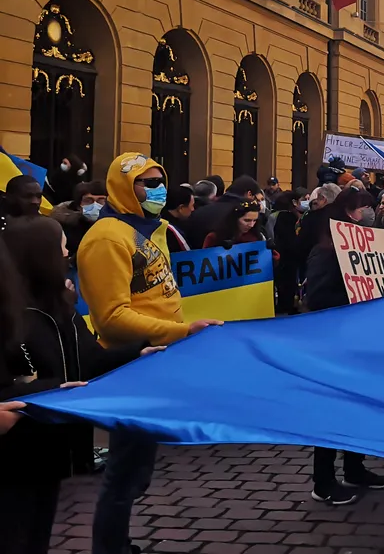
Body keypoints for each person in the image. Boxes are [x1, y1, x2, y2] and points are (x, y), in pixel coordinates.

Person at [77, 153, 222, 554]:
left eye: (160, 180)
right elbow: (110, 317)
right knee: (125, 472)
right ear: (126, 187)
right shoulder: (108, 237)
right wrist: (179, 331)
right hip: (131, 361)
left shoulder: (150, 228)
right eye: (147, 182)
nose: (157, 189)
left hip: (156, 358)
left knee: (136, 469)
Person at [0, 220, 158, 554]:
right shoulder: (9, 317)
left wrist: (137, 352)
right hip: (15, 454)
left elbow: (89, 360)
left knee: (36, 535)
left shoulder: (62, 308)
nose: (67, 253)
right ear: (40, 256)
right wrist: (52, 389)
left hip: (50, 450)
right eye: (60, 246)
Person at [296, 189, 384, 505]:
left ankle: (354, 468)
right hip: (333, 343)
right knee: (330, 410)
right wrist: (354, 298)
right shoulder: (326, 250)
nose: (371, 212)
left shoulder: (364, 243)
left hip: (360, 339)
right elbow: (318, 299)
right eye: (366, 207)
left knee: (359, 406)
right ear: (351, 211)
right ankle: (323, 482)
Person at [185, 175, 262, 249]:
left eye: (254, 220)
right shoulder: (236, 215)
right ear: (249, 194)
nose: (251, 225)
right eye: (256, 200)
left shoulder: (199, 212)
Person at [50, 179, 107, 257]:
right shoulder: (64, 227)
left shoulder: (116, 226)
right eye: (88, 201)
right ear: (78, 206)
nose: (95, 205)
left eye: (101, 201)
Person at [160, 185, 195, 253]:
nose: (193, 209)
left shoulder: (157, 219)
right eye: (192, 205)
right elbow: (188, 255)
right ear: (181, 208)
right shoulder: (172, 231)